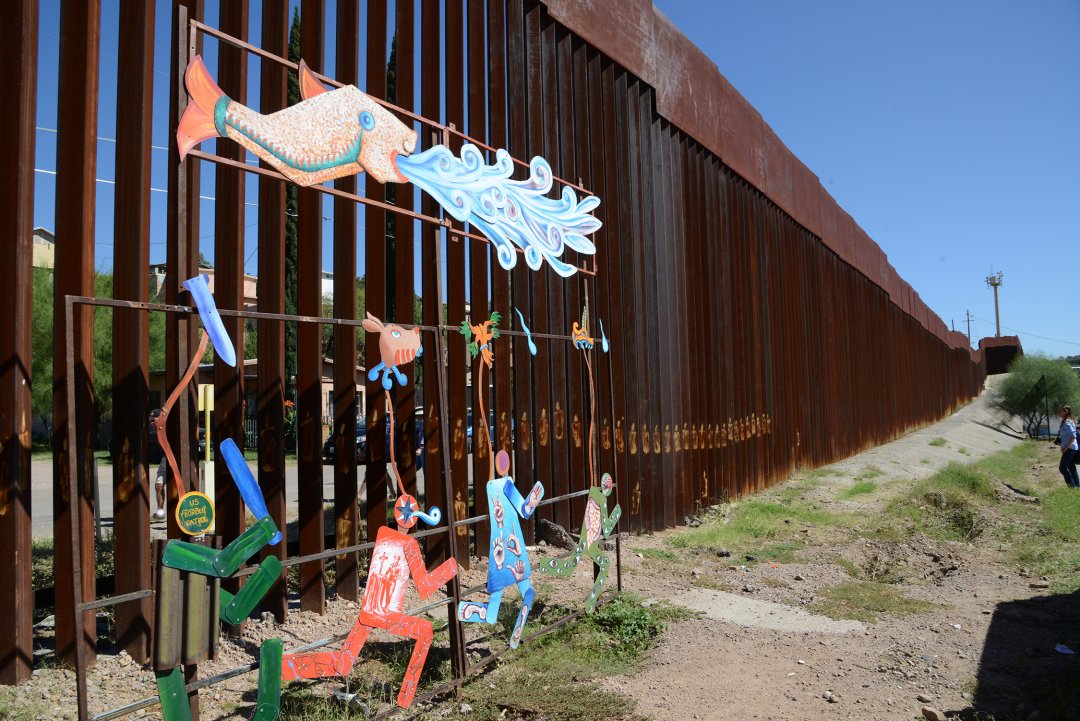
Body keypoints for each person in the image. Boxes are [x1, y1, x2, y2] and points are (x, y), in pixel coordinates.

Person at [1056, 405, 1079, 488]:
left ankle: (1072, 486)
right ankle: (1077, 486)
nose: (1059, 412)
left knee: (1062, 468)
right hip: (1072, 448)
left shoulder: (1067, 422)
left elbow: (1073, 436)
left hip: (1070, 448)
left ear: (1066, 412)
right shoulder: (1067, 421)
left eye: (1061, 411)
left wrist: (1066, 447)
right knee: (1071, 467)